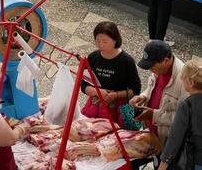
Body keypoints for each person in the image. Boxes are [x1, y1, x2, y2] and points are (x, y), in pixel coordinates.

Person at [130, 40, 188, 169]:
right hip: (152, 134)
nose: (151, 69)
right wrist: (143, 96)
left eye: (152, 65)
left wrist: (153, 115)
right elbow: (152, 88)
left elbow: (183, 120)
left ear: (166, 60)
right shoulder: (158, 69)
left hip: (167, 142)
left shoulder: (184, 80)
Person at [81, 21, 141, 127]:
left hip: (119, 107)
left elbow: (135, 89)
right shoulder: (93, 57)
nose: (100, 45)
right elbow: (83, 83)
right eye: (97, 41)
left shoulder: (126, 61)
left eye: (105, 41)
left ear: (115, 40)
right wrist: (97, 91)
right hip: (96, 102)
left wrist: (116, 95)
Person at [158, 59, 202, 170]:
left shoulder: (187, 105)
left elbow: (175, 138)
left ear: (191, 83)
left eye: (183, 80)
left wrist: (163, 163)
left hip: (193, 160)